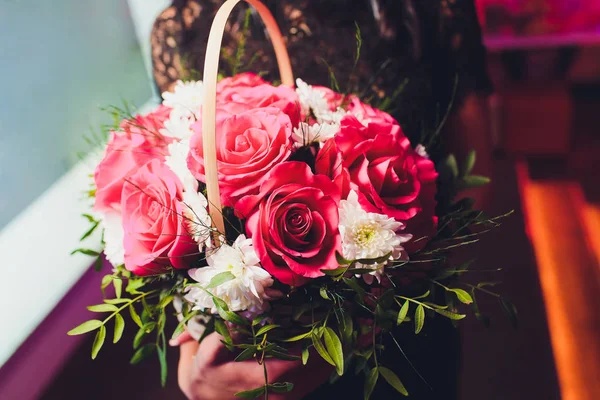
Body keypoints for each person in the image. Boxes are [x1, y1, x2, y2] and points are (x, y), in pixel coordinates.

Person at [152, 1, 494, 398]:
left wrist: (378, 299)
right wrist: (194, 361)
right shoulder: (184, 27)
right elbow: (184, 188)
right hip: (262, 351)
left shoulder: (433, 8)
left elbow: (476, 180)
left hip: (399, 332)